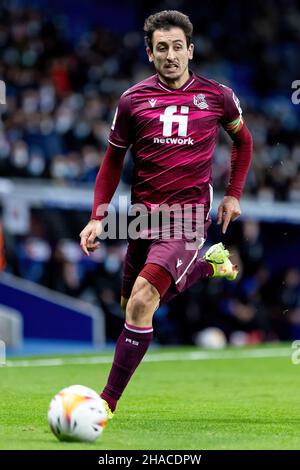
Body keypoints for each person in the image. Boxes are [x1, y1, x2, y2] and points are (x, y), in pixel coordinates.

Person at [79, 10, 253, 417]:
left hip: (188, 217)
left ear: (190, 51)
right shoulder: (132, 101)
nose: (171, 55)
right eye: (162, 48)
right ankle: (209, 267)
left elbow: (242, 143)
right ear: (150, 53)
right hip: (142, 217)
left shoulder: (218, 96)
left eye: (178, 47)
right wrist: (96, 217)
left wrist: (233, 195)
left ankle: (104, 405)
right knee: (131, 307)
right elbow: (111, 161)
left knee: (142, 301)